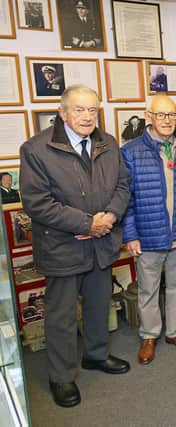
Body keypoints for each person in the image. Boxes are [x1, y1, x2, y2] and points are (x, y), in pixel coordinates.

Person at [19, 84, 131, 408]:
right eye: (79, 109)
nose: (86, 116)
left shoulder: (108, 144)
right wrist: (86, 223)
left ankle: (95, 356)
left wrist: (109, 216)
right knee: (62, 316)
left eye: (92, 110)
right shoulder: (36, 150)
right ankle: (61, 376)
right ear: (62, 112)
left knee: (99, 304)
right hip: (62, 247)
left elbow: (123, 185)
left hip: (101, 243)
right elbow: (37, 203)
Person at [121, 95, 176, 365]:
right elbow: (125, 198)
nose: (167, 120)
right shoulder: (131, 151)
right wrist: (130, 234)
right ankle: (149, 335)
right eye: (161, 115)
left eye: (172, 115)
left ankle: (174, 332)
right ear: (149, 116)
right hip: (149, 234)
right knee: (148, 290)